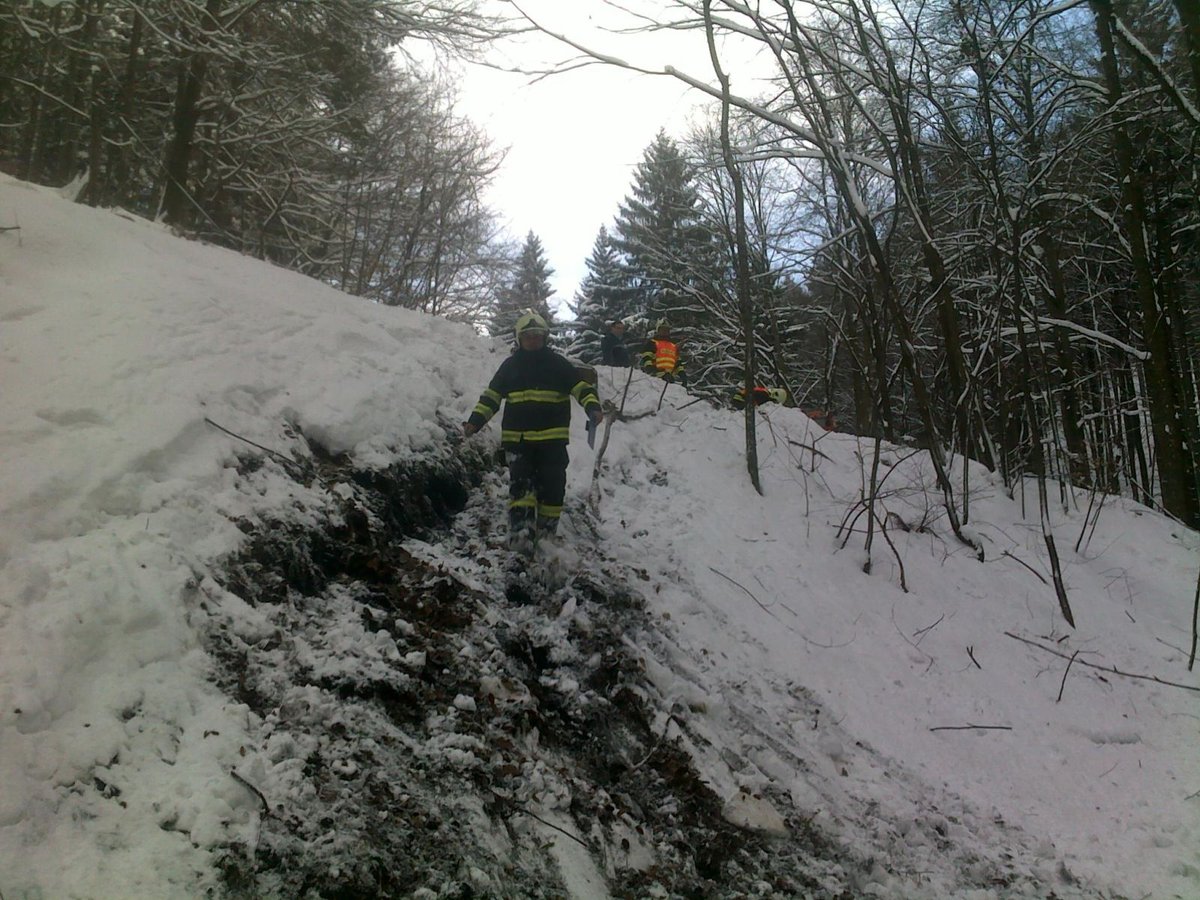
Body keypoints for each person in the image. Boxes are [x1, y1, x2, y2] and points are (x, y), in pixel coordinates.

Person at [464, 310, 603, 556]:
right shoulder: (510, 367)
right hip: (519, 442)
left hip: (552, 443)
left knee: (553, 487)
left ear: (545, 338)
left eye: (537, 336)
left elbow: (581, 388)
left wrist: (593, 407)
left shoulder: (559, 365)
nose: (533, 340)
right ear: (519, 338)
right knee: (521, 488)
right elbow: (491, 397)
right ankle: (521, 535)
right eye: (528, 336)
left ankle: (547, 534)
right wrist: (475, 421)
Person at [640, 319, 686, 385]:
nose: (665, 331)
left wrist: (682, 374)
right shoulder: (652, 343)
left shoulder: (673, 346)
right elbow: (646, 357)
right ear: (658, 330)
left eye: (667, 330)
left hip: (669, 378)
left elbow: (677, 362)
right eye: (662, 329)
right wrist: (650, 368)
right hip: (655, 378)